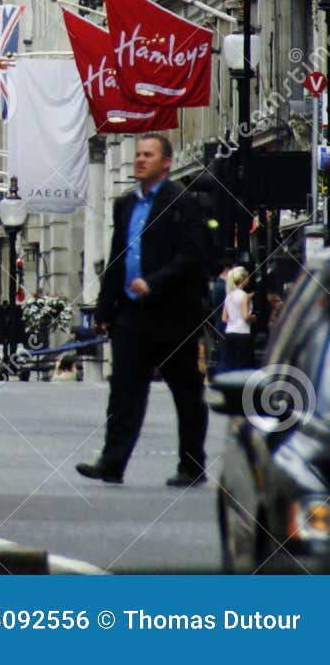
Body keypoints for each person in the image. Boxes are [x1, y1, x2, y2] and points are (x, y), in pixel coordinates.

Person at [76, 134, 208, 488]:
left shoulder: (182, 201)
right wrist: (105, 307)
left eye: (148, 155)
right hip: (131, 314)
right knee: (124, 389)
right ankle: (112, 461)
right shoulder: (125, 205)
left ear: (166, 162)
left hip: (173, 313)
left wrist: (155, 282)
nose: (140, 160)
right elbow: (118, 257)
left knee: (185, 390)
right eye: (138, 155)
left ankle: (192, 464)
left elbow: (193, 254)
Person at [219, 267, 252, 372]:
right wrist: (254, 317)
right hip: (242, 332)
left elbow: (224, 318)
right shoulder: (244, 296)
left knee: (230, 363)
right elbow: (246, 316)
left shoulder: (229, 296)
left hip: (230, 331)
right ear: (244, 279)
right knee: (242, 364)